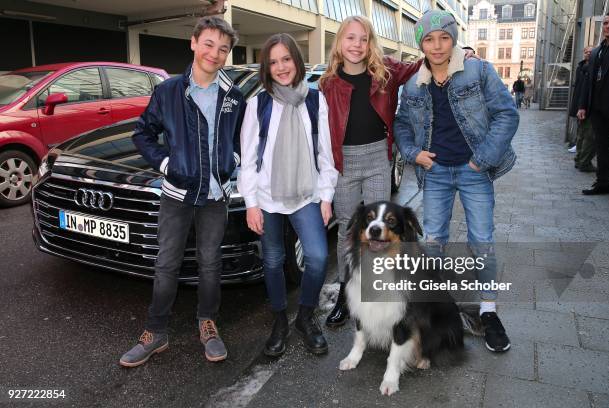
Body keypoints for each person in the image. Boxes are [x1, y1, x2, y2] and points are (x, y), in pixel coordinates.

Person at [120, 17, 246, 367]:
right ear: (193, 43)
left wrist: (231, 159)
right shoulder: (169, 91)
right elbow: (142, 134)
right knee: (167, 264)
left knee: (210, 264)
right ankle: (155, 332)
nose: (215, 53)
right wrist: (164, 165)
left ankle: (208, 323)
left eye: (223, 49)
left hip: (215, 196)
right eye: (208, 44)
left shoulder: (234, 96)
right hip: (176, 194)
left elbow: (241, 140)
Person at [394, 10, 519, 352]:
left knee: (482, 240)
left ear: (453, 39)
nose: (436, 46)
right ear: (420, 43)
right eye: (429, 39)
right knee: (433, 240)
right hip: (435, 172)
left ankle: (489, 312)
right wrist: (413, 152)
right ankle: (434, 308)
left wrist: (483, 158)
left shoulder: (477, 71)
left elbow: (507, 114)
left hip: (473, 170)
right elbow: (402, 125)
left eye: (444, 38)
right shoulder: (413, 83)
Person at [318, 16, 422, 328]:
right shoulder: (328, 84)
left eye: (363, 39)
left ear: (370, 43)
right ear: (339, 42)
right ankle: (345, 296)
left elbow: (419, 64)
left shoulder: (385, 73)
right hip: (344, 164)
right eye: (350, 38)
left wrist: (461, 53)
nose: (357, 45)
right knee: (348, 231)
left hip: (378, 159)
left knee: (379, 232)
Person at [238, 33, 338, 356]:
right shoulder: (258, 103)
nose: (281, 67)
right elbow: (249, 158)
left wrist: (326, 197)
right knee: (273, 259)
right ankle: (280, 320)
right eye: (273, 61)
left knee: (318, 256)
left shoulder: (315, 99)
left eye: (286, 59)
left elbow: (325, 153)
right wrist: (251, 204)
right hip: (268, 196)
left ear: (297, 60)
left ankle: (305, 317)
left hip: (306, 194)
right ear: (267, 68)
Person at [577, 11, 609, 195]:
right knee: (601, 146)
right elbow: (588, 82)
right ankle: (602, 182)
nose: (608, 26)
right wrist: (583, 106)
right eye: (605, 23)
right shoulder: (598, 51)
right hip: (597, 108)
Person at [570, 47, 596, 172]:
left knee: (584, 134)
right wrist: (580, 106)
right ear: (583, 53)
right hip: (584, 105)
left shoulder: (587, 67)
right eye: (586, 52)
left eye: (591, 52)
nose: (588, 54)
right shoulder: (582, 68)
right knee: (585, 134)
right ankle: (582, 161)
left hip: (583, 104)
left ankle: (580, 160)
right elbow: (581, 89)